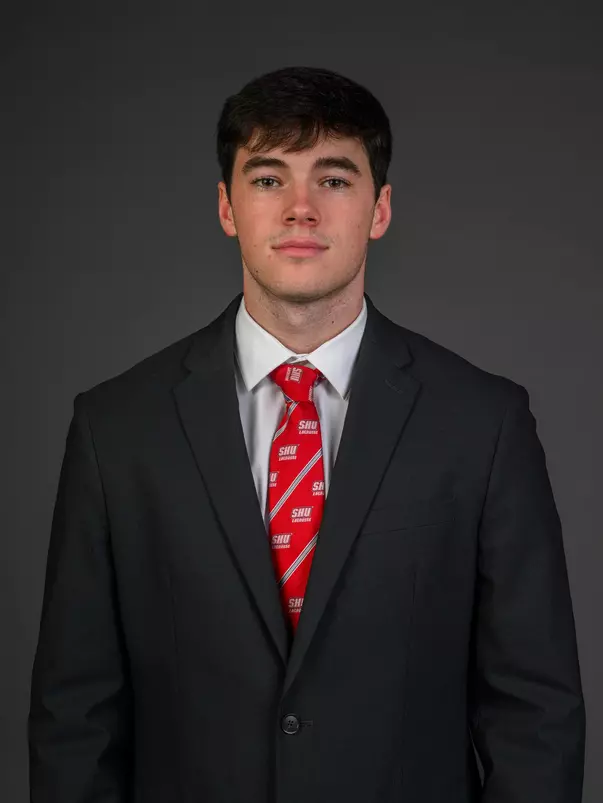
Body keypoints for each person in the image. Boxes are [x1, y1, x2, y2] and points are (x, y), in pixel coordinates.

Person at [28, 65, 585, 803]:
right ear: (226, 207)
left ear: (379, 209)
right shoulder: (115, 429)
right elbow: (76, 721)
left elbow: (534, 716)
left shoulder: (483, 423)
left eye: (332, 178)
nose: (299, 209)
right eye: (266, 179)